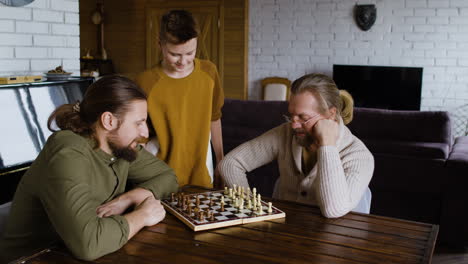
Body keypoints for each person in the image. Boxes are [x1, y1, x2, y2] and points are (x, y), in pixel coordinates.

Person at [0, 75, 178, 262]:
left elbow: (167, 176)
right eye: (138, 123)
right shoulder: (68, 151)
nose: (145, 133)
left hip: (78, 251)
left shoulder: (120, 146)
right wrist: (142, 216)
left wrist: (128, 198)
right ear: (109, 121)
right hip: (32, 258)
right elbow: (89, 244)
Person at [219, 73, 374, 218]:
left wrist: (327, 145)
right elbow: (230, 164)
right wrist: (249, 206)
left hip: (334, 241)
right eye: (291, 115)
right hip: (285, 233)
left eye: (303, 117)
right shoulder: (285, 133)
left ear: (331, 114)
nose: (294, 125)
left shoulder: (359, 156)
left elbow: (333, 210)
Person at [135, 10, 224, 189]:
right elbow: (139, 138)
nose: (183, 61)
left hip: (202, 173)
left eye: (190, 53)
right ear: (159, 44)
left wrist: (221, 161)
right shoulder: (145, 81)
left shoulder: (209, 72)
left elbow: (214, 118)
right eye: (175, 54)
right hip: (159, 175)